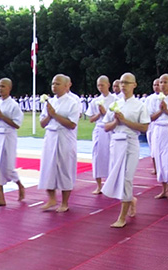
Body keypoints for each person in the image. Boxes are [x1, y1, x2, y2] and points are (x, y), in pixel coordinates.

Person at [102, 72, 149, 227]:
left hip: (131, 143)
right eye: (121, 82)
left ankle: (122, 217)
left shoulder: (140, 105)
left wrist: (125, 121)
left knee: (127, 178)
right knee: (118, 177)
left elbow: (144, 127)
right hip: (116, 142)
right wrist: (116, 121)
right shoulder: (115, 104)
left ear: (134, 85)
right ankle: (131, 199)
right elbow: (106, 127)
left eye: (127, 83)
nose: (123, 86)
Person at [38, 74, 80, 212]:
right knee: (48, 167)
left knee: (65, 168)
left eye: (57, 84)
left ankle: (65, 202)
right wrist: (50, 115)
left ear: (65, 85)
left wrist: (55, 115)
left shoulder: (72, 102)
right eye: (53, 84)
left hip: (65, 137)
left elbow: (72, 124)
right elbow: (42, 123)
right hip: (50, 136)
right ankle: (51, 199)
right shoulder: (49, 102)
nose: (54, 86)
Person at [0, 78, 25, 207]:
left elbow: (17, 124)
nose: (0, 89)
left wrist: (1, 115)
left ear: (9, 88)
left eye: (3, 86)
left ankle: (19, 184)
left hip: (9, 135)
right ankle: (1, 197)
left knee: (8, 166)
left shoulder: (14, 105)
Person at [148, 73, 168, 199]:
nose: (162, 85)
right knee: (159, 159)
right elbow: (150, 117)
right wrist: (160, 110)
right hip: (157, 130)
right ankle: (163, 188)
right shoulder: (152, 100)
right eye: (160, 82)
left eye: (165, 82)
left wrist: (166, 110)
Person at [86, 75, 117, 194]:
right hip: (99, 130)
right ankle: (98, 185)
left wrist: (106, 113)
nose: (100, 87)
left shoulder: (115, 100)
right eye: (98, 85)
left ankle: (111, 184)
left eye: (102, 85)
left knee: (111, 156)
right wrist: (99, 114)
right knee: (97, 156)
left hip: (111, 129)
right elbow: (91, 119)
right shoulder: (95, 101)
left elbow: (118, 116)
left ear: (108, 85)